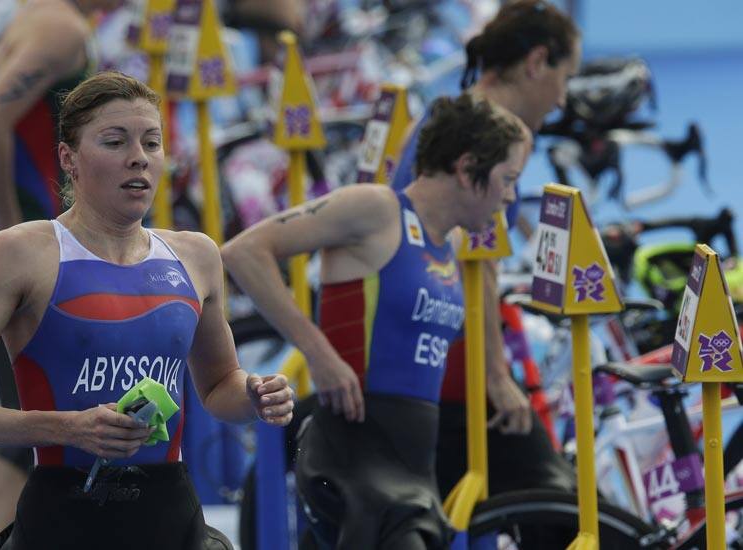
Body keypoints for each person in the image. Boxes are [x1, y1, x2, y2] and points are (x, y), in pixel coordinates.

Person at [0, 71, 294, 550]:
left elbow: (220, 387)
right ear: (68, 159)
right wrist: (66, 427)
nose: (138, 157)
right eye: (115, 141)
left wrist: (256, 395)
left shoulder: (195, 255)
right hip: (63, 520)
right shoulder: (19, 253)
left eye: (152, 143)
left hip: (171, 519)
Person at [222, 94, 530, 549]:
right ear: (467, 169)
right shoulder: (376, 210)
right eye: (507, 179)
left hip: (413, 464)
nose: (510, 197)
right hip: (353, 456)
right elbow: (244, 252)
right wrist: (318, 353)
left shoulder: (453, 244)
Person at [390, 0, 582, 500]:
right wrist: (496, 376)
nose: (562, 99)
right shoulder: (495, 135)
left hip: (405, 345)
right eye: (565, 77)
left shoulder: (443, 116)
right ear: (537, 62)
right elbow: (478, 266)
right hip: (445, 361)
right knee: (559, 500)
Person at [0, 1, 111, 546]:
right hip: (19, 242)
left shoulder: (36, 16)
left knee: (35, 420)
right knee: (30, 423)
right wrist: (10, 231)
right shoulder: (61, 28)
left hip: (16, 234)